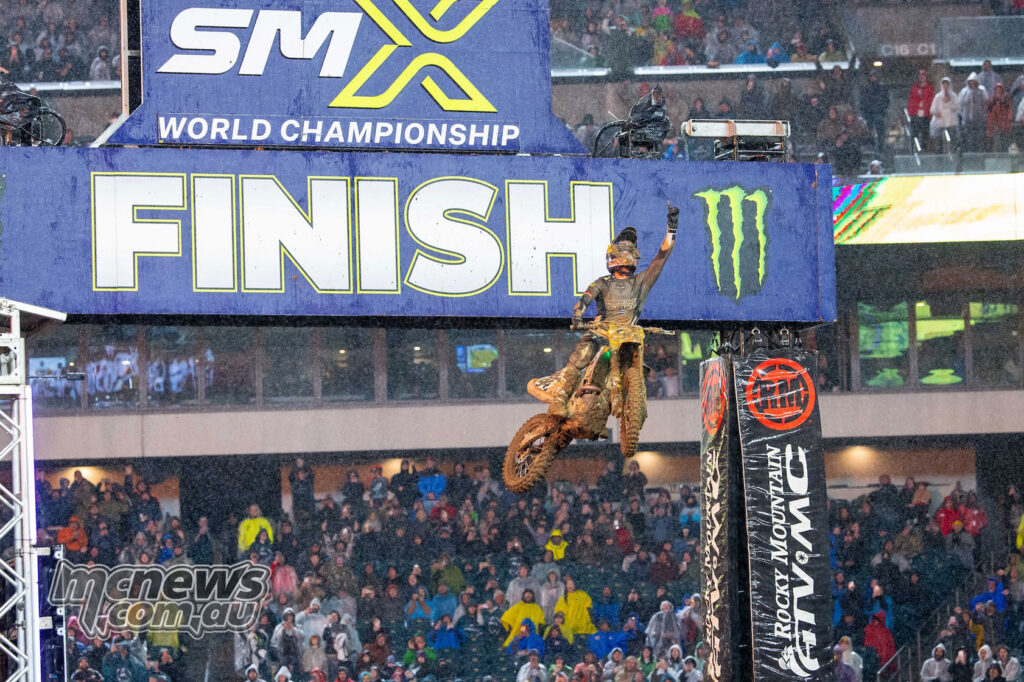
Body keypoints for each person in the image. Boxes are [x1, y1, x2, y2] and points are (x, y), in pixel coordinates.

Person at [529, 204, 678, 416]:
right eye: (624, 248)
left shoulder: (641, 282)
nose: (627, 252)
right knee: (584, 353)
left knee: (641, 367)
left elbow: (662, 256)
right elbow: (584, 300)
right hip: (602, 334)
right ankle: (560, 400)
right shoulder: (602, 283)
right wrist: (578, 316)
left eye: (630, 248)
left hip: (627, 337)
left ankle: (625, 405)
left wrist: (672, 227)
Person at [959, 73, 989, 152]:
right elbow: (960, 105)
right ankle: (970, 152)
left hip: (979, 119)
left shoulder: (982, 90)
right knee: (969, 138)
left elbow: (986, 103)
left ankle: (980, 152)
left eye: (974, 82)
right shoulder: (964, 91)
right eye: (970, 82)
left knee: (979, 138)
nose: (972, 84)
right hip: (967, 119)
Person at [930, 77, 960, 152]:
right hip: (941, 123)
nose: (945, 86)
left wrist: (950, 101)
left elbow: (958, 107)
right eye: (944, 85)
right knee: (940, 143)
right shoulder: (938, 97)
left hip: (951, 123)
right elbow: (932, 109)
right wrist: (936, 114)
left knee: (952, 142)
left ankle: (953, 154)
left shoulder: (954, 96)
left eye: (947, 85)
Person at [907, 69, 935, 149]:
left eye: (923, 76)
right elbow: (911, 100)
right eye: (920, 76)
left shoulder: (929, 88)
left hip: (926, 114)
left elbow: (930, 100)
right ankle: (914, 148)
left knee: (925, 132)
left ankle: (924, 148)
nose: (921, 78)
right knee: (915, 131)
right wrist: (911, 112)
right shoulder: (915, 87)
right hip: (916, 113)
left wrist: (930, 113)